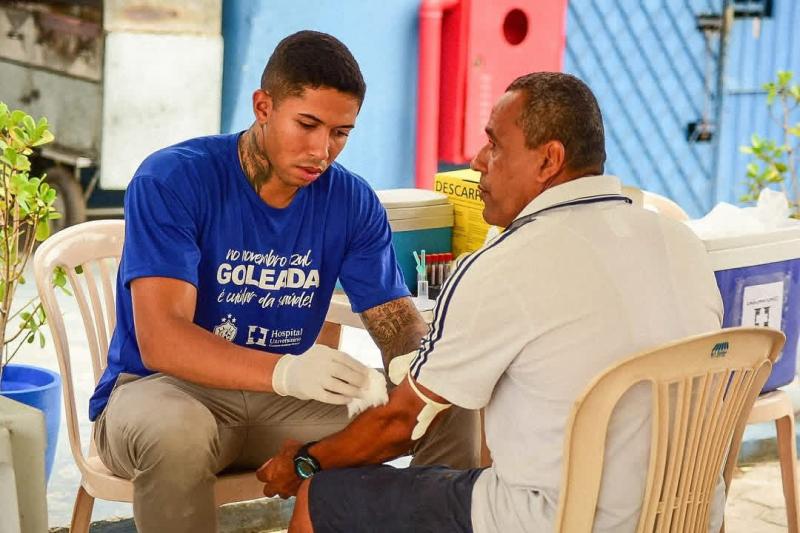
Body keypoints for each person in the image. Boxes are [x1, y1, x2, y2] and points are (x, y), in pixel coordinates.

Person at [258, 72, 726, 533]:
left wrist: (303, 463)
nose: (478, 159)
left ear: (549, 161)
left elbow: (399, 423)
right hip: (688, 516)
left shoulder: (506, 264)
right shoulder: (678, 242)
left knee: (326, 495)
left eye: (495, 144)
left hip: (559, 520)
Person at [89, 30, 481, 533]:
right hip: (161, 393)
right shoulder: (173, 180)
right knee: (177, 431)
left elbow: (394, 318)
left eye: (340, 132)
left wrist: (414, 365)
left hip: (285, 406)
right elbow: (162, 339)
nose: (322, 149)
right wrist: (287, 372)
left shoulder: (352, 202)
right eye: (308, 124)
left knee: (448, 401)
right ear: (263, 106)